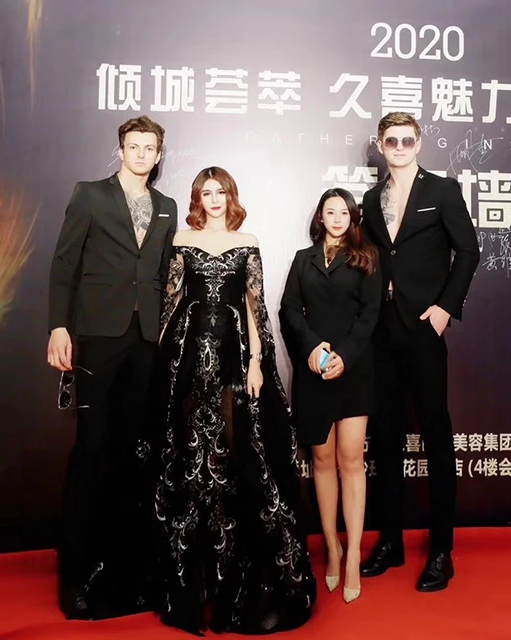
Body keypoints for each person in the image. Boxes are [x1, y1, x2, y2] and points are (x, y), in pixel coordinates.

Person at [152, 166, 316, 636]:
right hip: (187, 357)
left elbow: (254, 306)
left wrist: (257, 361)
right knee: (189, 460)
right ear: (197, 199)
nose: (214, 199)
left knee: (233, 455)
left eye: (220, 191)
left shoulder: (248, 241)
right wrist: (160, 363)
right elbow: (170, 303)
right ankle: (192, 588)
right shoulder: (182, 239)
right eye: (206, 192)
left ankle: (232, 586)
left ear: (230, 196)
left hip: (234, 355)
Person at [46, 115, 178, 619]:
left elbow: (163, 274)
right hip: (98, 335)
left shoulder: (166, 207)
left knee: (132, 455)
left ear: (159, 155)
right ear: (121, 149)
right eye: (134, 146)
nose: (142, 154)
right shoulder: (90, 195)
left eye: (150, 148)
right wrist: (59, 327)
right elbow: (64, 264)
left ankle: (122, 573)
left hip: (146, 340)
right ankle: (74, 577)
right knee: (91, 449)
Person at [359, 112, 480, 591]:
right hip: (381, 332)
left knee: (436, 434)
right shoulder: (371, 200)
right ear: (381, 145)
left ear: (419, 143)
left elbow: (468, 251)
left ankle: (442, 551)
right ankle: (390, 541)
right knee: (385, 437)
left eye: (407, 140)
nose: (400, 147)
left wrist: (445, 309)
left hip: (425, 328)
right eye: (392, 140)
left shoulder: (443, 190)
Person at [280, 188, 381, 604]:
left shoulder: (366, 258)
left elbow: (370, 316)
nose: (337, 218)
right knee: (322, 460)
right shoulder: (302, 260)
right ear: (319, 217)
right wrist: (312, 349)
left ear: (353, 218)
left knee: (351, 460)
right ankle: (332, 548)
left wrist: (345, 355)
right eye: (330, 212)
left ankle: (354, 553)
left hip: (354, 370)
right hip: (313, 370)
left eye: (344, 212)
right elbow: (289, 311)